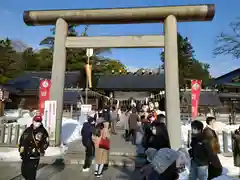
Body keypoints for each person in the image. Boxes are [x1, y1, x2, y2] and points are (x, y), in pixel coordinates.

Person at [19, 115, 49, 180]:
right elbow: (22, 142)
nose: (38, 122)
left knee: (31, 174)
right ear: (33, 121)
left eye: (39, 121)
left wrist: (41, 149)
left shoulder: (43, 131)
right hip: (25, 155)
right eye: (36, 121)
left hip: (34, 156)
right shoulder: (28, 130)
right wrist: (21, 151)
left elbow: (46, 142)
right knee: (24, 172)